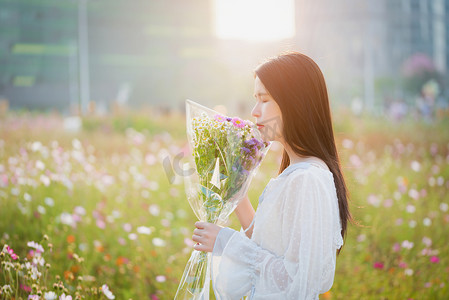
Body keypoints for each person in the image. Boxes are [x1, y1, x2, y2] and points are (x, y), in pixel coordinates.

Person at [192, 52, 352, 299]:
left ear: (295, 104)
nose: (254, 111)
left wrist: (225, 241)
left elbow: (297, 281)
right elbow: (270, 247)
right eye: (255, 100)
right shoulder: (298, 173)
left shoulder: (307, 179)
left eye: (264, 100)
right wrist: (236, 192)